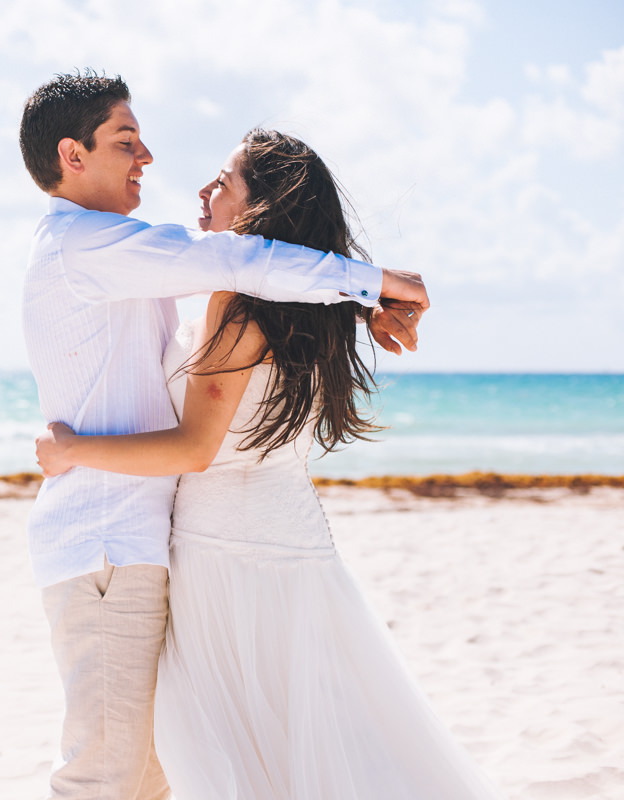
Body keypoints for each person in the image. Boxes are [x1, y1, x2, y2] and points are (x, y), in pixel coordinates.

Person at [35, 128, 502, 799]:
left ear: (260, 210)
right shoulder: (318, 309)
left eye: (223, 182)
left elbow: (196, 449)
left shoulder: (238, 304)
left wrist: (72, 450)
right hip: (293, 545)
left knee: (238, 755)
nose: (204, 191)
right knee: (316, 743)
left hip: (229, 557)